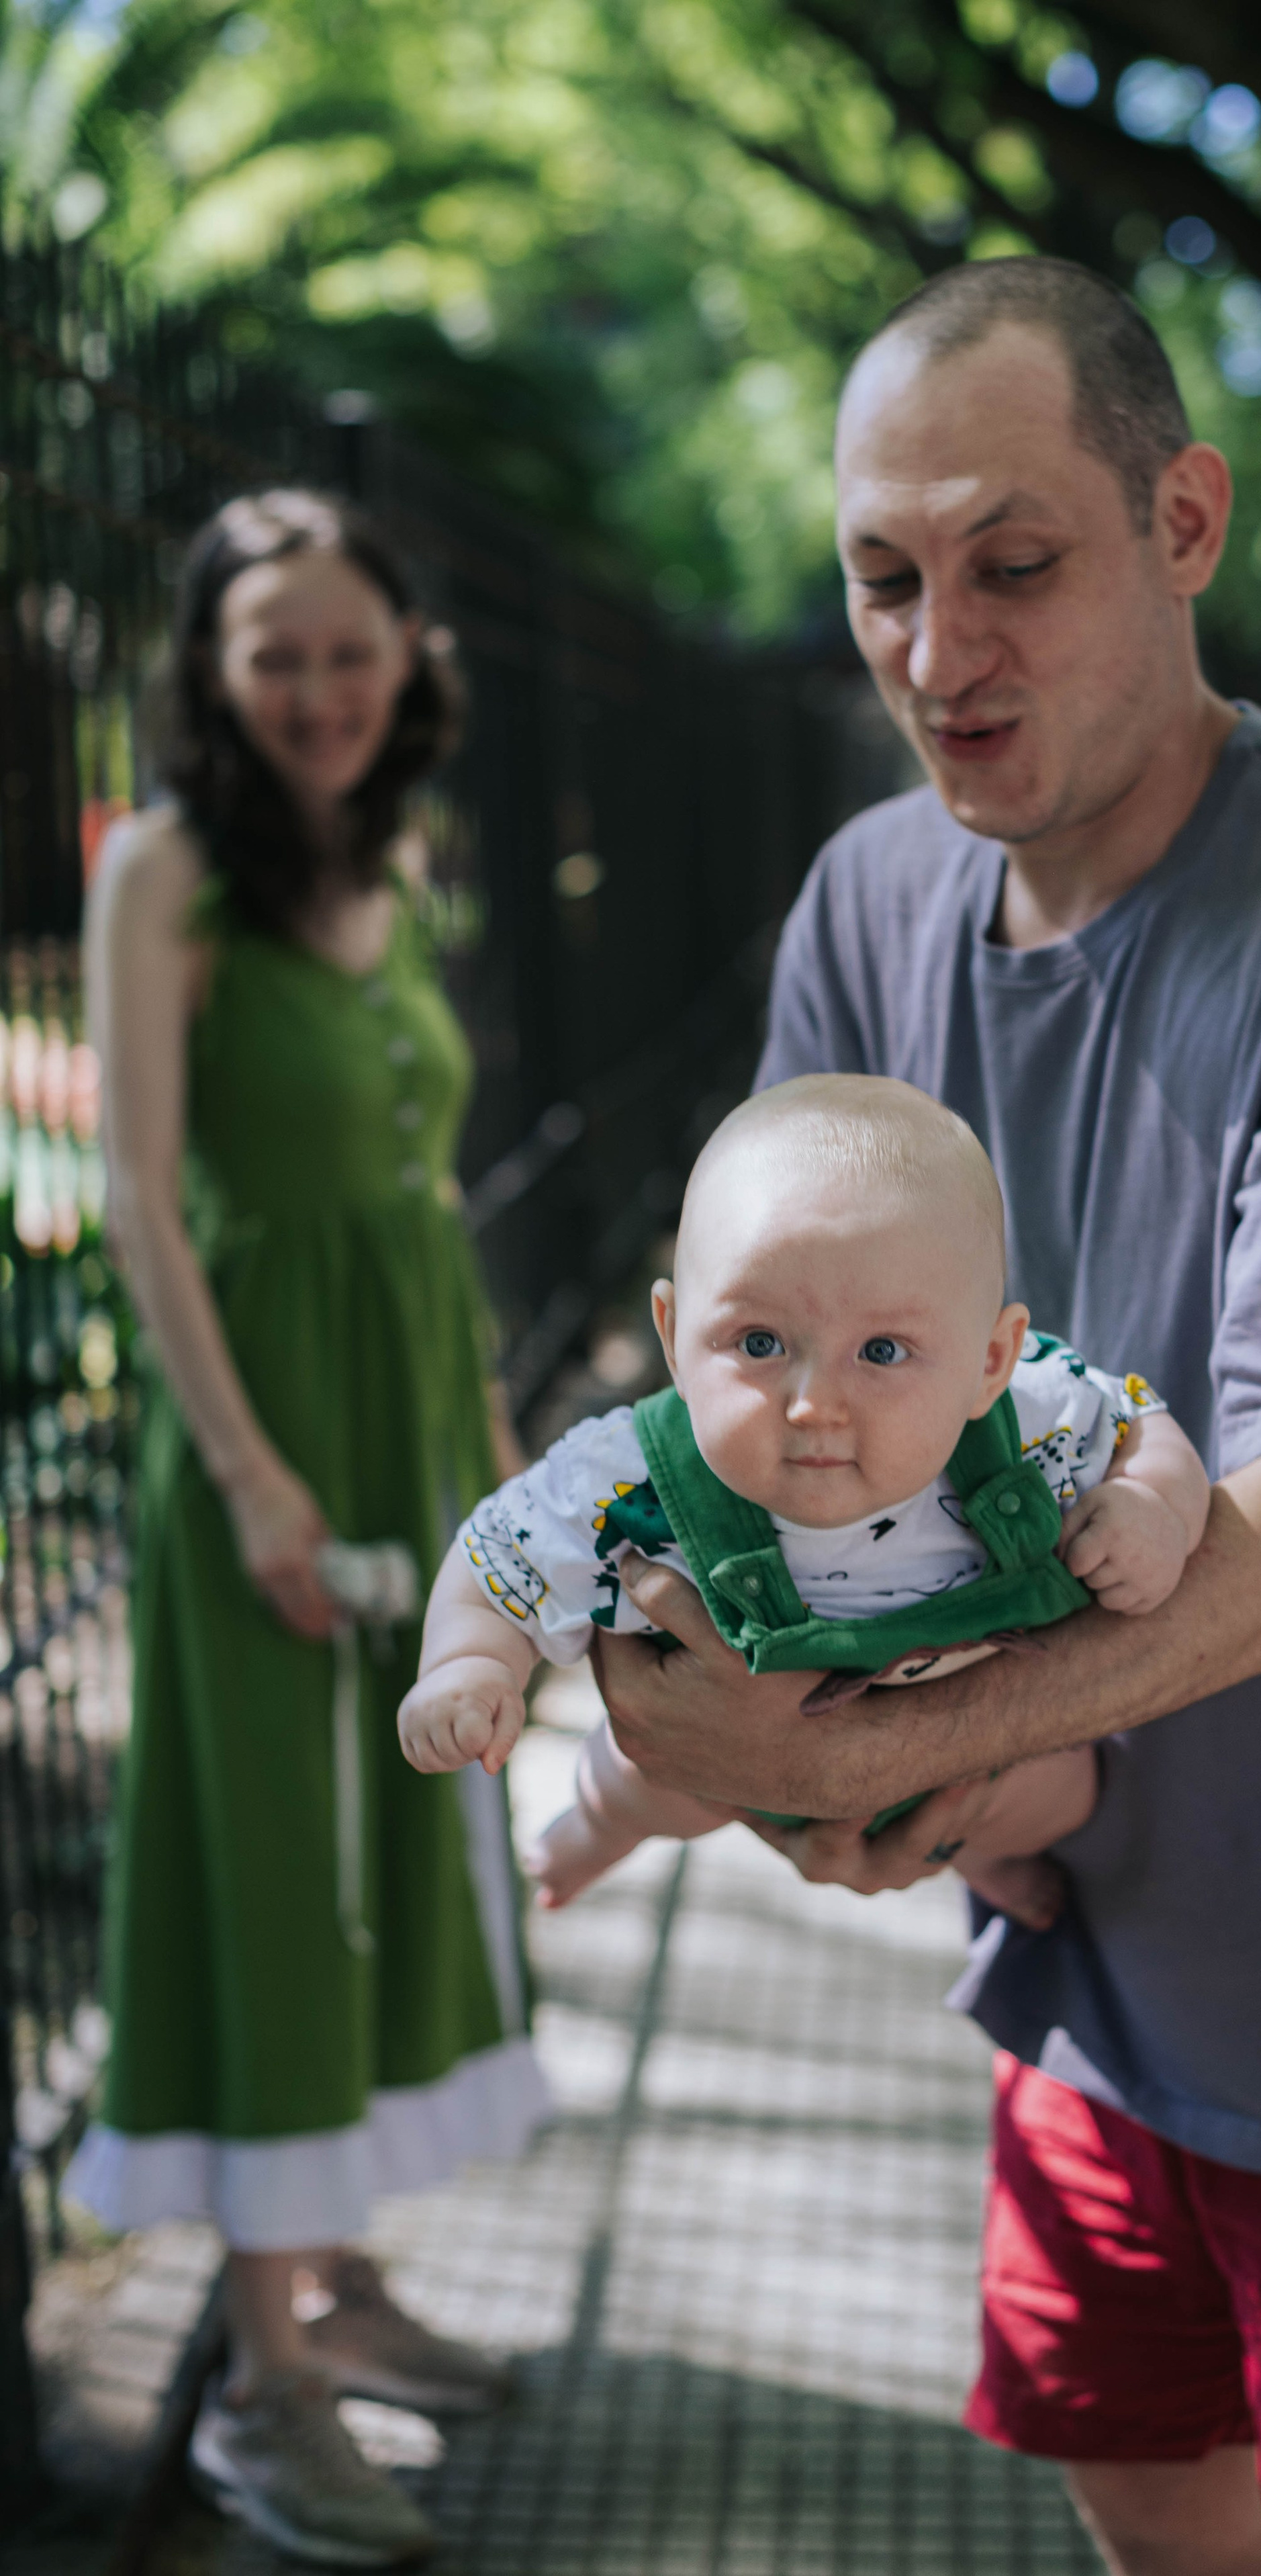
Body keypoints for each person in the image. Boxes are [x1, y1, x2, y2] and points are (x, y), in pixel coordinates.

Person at [584, 259, 1261, 2575]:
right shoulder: (867, 906)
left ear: (1184, 521)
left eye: (1017, 563)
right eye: (885, 577)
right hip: (1081, 1958)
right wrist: (775, 1716)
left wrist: (829, 1755)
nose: (938, 650)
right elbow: (779, 1404)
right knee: (1146, 2504)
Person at [68, 491, 549, 2568]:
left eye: (350, 649)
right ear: (210, 671)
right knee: (276, 1866)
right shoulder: (167, 870)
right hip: (267, 1432)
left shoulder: (386, 854)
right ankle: (262, 2381)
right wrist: (256, 1477)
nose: (318, 692)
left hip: (411, 1411)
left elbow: (419, 1190)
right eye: (275, 655)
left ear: (409, 653)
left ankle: (341, 2288)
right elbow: (144, 1202)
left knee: (405, 1847)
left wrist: (500, 1443)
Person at [396, 1074, 1209, 1931]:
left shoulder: (1037, 1417)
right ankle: (597, 1830)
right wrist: (470, 1665)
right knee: (645, 1782)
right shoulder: (632, 1476)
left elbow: (1141, 1427)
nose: (814, 1403)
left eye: (883, 1351)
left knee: (1063, 1789)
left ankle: (978, 1855)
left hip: (969, 1736)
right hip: (722, 1756)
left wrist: (1155, 1503)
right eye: (760, 1343)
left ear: (989, 1362)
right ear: (672, 1339)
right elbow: (499, 1560)